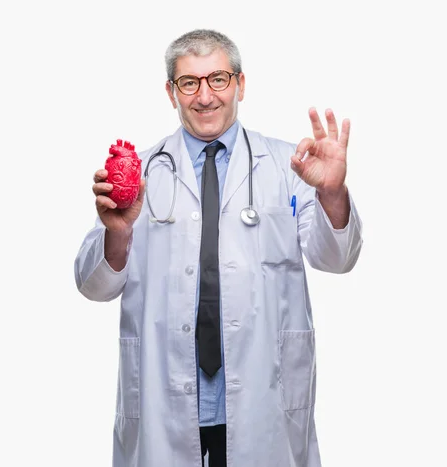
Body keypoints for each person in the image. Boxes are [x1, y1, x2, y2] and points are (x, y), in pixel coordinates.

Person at [74, 29, 363, 467]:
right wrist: (117, 231)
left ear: (241, 85)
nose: (204, 96)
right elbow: (92, 285)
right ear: (171, 92)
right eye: (189, 82)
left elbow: (337, 258)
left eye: (218, 79)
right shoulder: (140, 174)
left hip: (265, 398)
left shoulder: (290, 169)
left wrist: (333, 194)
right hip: (164, 399)